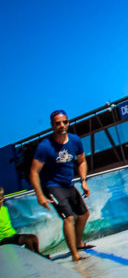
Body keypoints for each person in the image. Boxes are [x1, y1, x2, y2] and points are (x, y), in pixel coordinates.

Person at [29, 110, 92, 262]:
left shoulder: (75, 141)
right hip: (52, 186)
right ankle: (75, 255)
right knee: (69, 217)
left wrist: (83, 180)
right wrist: (40, 195)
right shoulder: (45, 146)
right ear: (52, 126)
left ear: (68, 122)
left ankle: (78, 242)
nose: (62, 126)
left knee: (84, 215)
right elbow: (34, 171)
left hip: (68, 184)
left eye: (65, 122)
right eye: (58, 123)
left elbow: (82, 161)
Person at [0, 186, 45, 257]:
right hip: (2, 240)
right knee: (27, 240)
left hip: (11, 235)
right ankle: (30, 257)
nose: (0, 200)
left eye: (1, 198)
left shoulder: (4, 209)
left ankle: (38, 254)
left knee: (33, 237)